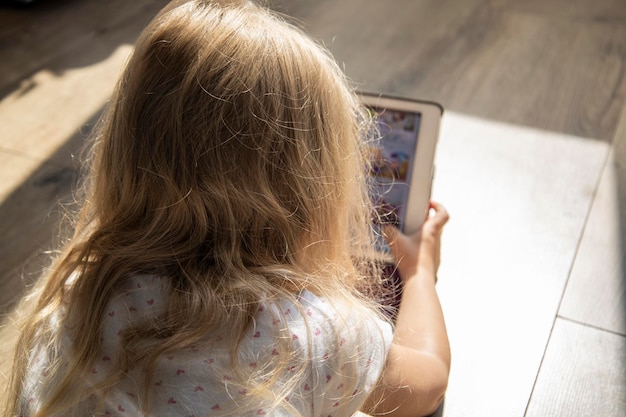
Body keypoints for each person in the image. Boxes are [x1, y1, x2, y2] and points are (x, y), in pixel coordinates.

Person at [3, 1, 450, 416]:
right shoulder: (314, 336)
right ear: (316, 191)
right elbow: (427, 381)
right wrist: (419, 274)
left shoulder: (74, 302)